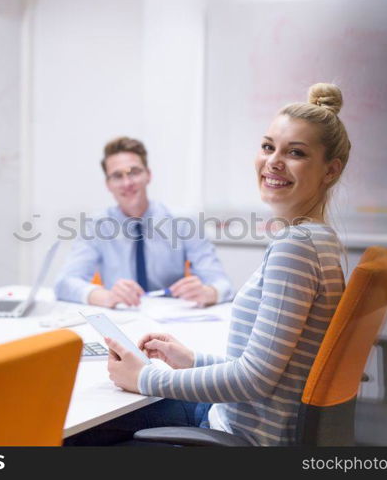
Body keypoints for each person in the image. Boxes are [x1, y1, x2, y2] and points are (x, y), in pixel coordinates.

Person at [65, 83, 351, 446]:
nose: (273, 161)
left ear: (330, 171)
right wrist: (192, 359)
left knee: (71, 433)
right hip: (230, 414)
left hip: (236, 435)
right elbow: (270, 367)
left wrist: (143, 379)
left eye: (295, 152)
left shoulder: (295, 247)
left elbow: (255, 378)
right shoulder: (318, 239)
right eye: (267, 147)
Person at [54, 136, 233, 308]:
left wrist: (208, 292)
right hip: (122, 317)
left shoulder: (184, 221)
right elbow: (64, 283)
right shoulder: (96, 226)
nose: (127, 182)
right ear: (108, 184)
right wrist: (106, 297)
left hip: (173, 320)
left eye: (134, 172)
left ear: (148, 175)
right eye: (117, 176)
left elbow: (223, 284)